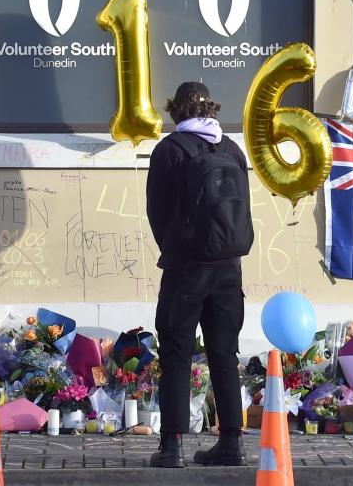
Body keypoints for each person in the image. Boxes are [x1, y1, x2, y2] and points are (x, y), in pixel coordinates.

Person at [147, 82, 253, 468]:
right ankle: (231, 443)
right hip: (229, 269)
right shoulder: (232, 150)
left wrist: (175, 246)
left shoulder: (169, 151)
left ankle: (172, 446)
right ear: (210, 109)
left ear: (176, 112)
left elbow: (156, 212)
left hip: (185, 269)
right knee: (224, 355)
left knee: (176, 354)